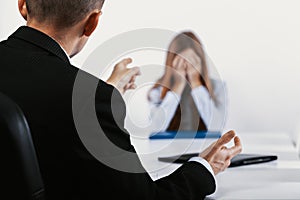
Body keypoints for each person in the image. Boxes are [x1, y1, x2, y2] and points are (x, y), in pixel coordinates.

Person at [0, 0, 242, 199]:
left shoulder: (91, 98)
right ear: (92, 23)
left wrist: (104, 93)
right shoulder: (91, 99)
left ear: (22, 5)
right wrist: (206, 167)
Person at [148, 31, 226, 132]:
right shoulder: (158, 90)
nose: (186, 65)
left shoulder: (217, 86)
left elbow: (217, 127)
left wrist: (195, 81)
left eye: (192, 61)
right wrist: (178, 85)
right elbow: (155, 129)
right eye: (180, 61)